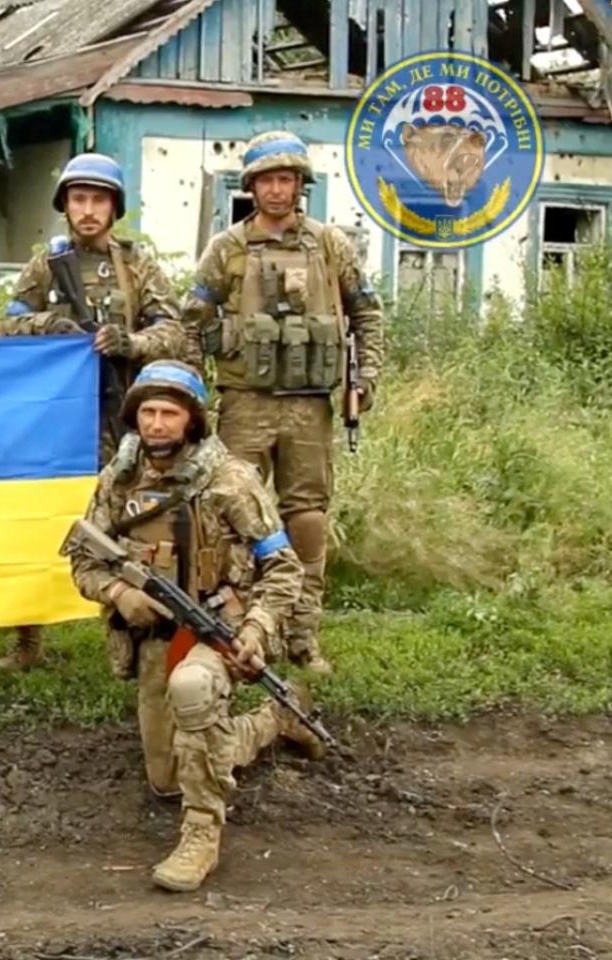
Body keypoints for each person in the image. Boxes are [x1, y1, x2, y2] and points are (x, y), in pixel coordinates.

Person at [64, 361, 326, 892]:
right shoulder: (118, 481)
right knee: (167, 777)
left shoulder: (230, 481)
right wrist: (121, 593)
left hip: (223, 624)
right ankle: (274, 720)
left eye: (170, 413)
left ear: (192, 421)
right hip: (158, 637)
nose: (157, 423)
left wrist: (254, 631)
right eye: (148, 413)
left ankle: (201, 835)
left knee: (193, 690)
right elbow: (83, 560)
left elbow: (282, 567)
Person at [185, 131, 386, 675]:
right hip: (245, 401)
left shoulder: (329, 246)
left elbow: (366, 312)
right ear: (251, 186)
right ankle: (237, 627)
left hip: (309, 407)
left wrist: (364, 376)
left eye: (287, 179)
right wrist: (190, 396)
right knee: (234, 516)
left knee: (308, 517)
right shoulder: (225, 249)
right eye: (268, 180)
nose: (278, 190)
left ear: (301, 185)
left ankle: (302, 634)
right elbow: (190, 322)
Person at [0, 152, 191, 672]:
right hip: (57, 419)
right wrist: (49, 326)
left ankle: (124, 636)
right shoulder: (46, 265)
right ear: (65, 205)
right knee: (41, 519)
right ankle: (28, 641)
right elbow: (4, 327)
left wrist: (130, 342)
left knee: (128, 526)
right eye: (78, 199)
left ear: (113, 207)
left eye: (97, 199)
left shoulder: (136, 265)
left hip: (121, 417)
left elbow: (174, 333)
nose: (87, 209)